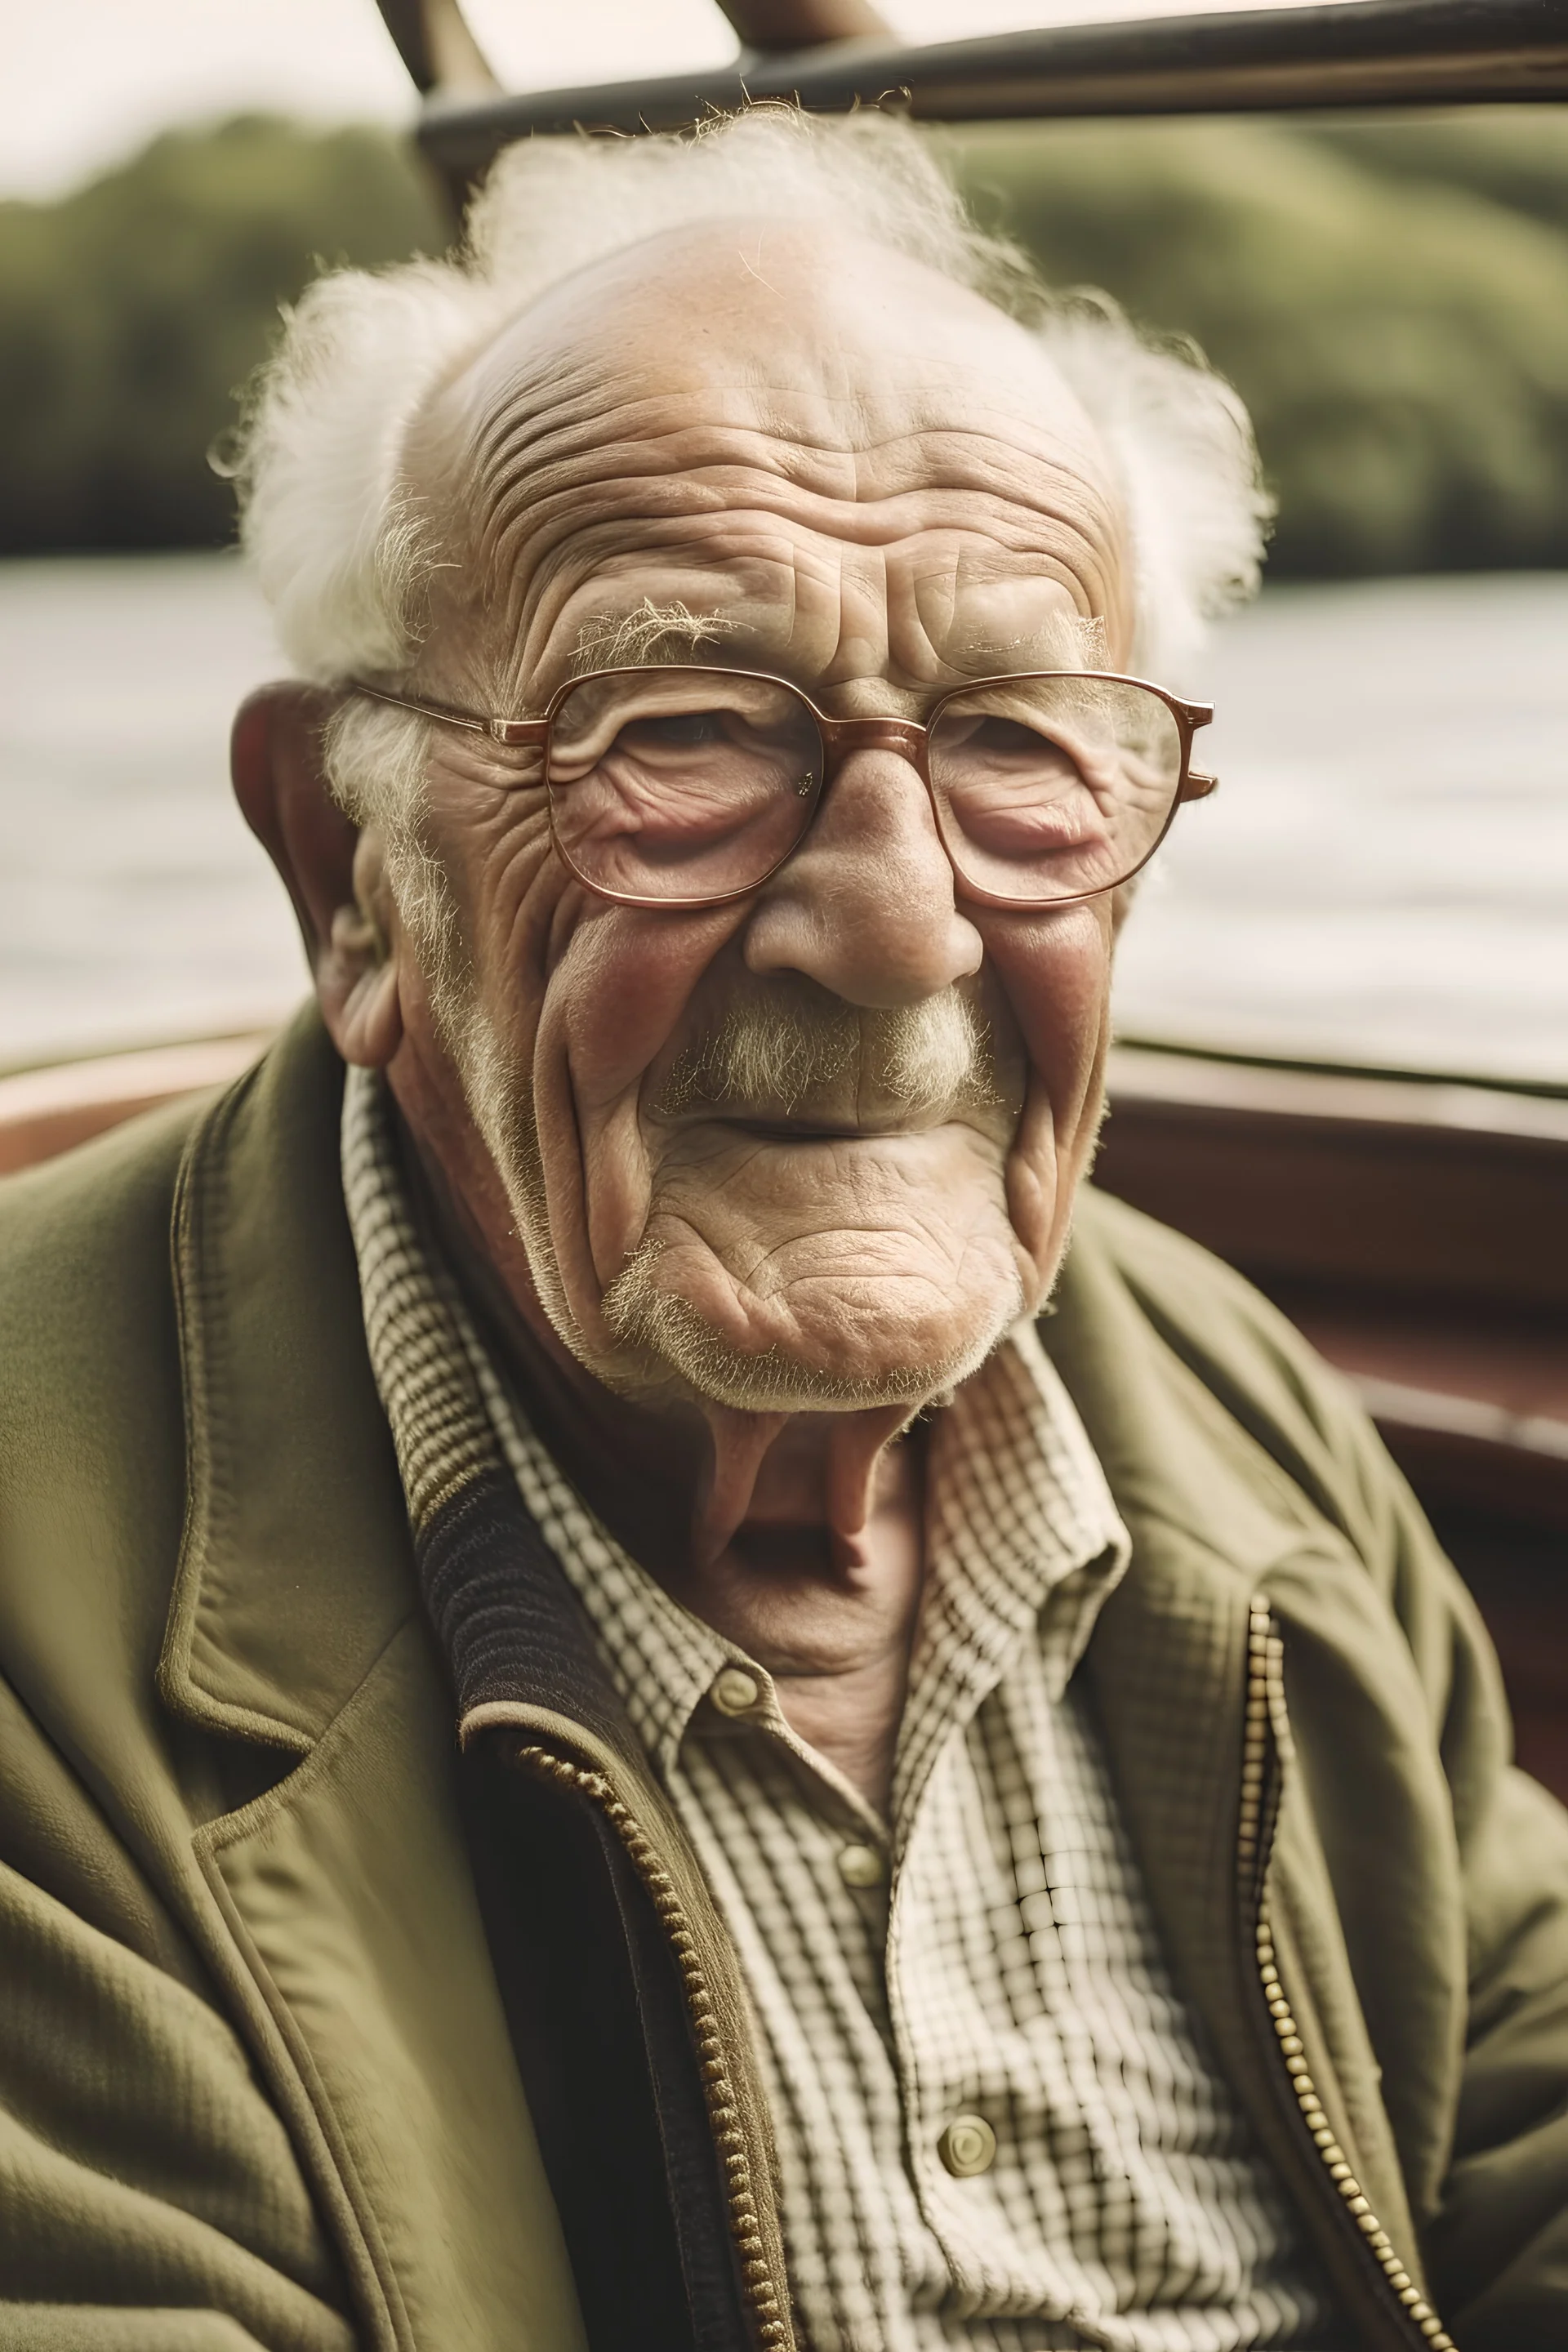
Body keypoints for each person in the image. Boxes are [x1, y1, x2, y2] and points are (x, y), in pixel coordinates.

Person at [0, 106, 1563, 2352]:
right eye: (688, 734)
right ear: (347, 871)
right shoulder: (40, 1597)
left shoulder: (1208, 1398)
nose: (897, 924)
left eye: (1024, 742)